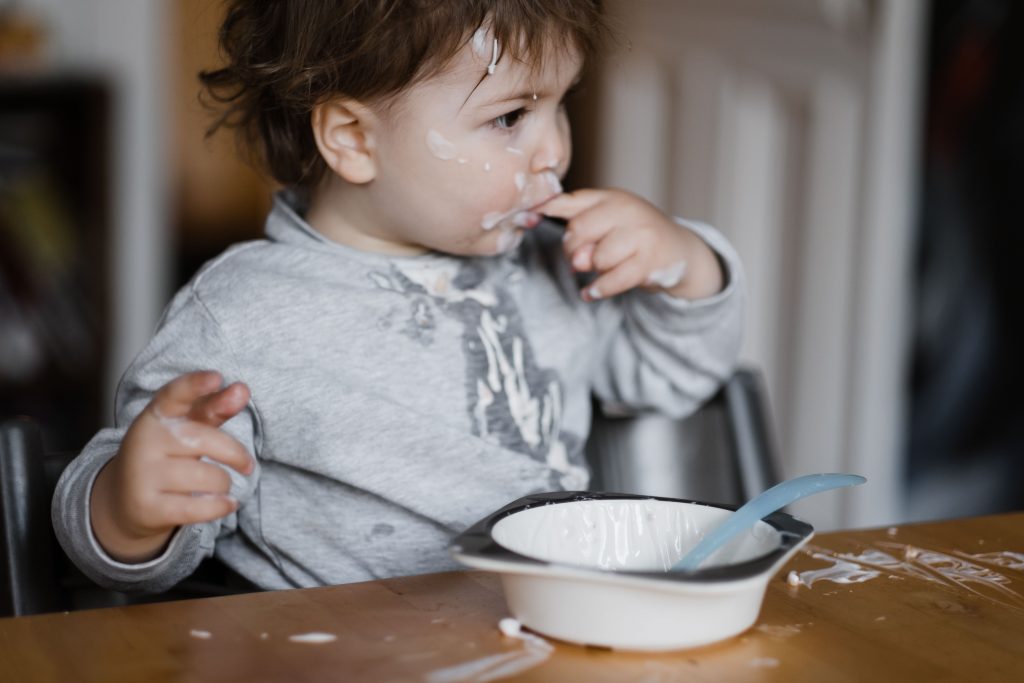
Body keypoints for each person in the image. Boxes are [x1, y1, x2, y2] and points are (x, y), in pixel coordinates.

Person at [53, 0, 744, 592]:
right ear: (354, 139)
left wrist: (686, 263)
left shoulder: (551, 266)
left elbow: (676, 377)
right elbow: (135, 525)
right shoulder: (243, 316)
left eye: (561, 106)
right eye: (511, 118)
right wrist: (127, 512)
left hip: (543, 630)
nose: (554, 153)